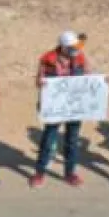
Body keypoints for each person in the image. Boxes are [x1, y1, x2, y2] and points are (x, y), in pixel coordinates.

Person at [31, 32, 90, 188]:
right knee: (48, 139)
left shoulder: (80, 57)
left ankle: (70, 173)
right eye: (72, 47)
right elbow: (38, 80)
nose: (76, 50)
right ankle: (40, 173)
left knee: (72, 140)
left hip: (74, 107)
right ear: (63, 47)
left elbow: (88, 77)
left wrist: (100, 81)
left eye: (77, 47)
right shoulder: (47, 59)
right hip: (54, 108)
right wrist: (42, 83)